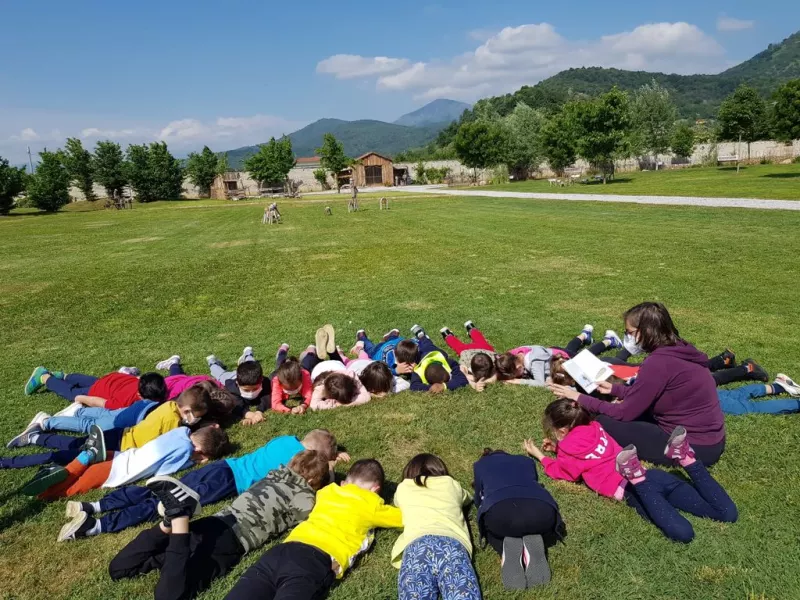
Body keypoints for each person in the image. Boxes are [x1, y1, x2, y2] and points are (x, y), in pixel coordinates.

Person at [107, 450, 331, 600]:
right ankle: (179, 517)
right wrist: (327, 482)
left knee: (118, 569)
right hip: (231, 541)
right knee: (168, 596)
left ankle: (170, 523)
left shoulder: (276, 473)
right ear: (312, 481)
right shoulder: (303, 495)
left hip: (215, 522)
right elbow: (308, 511)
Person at [57, 429, 342, 540]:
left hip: (223, 467)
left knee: (157, 489)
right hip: (229, 481)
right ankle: (96, 526)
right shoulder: (296, 459)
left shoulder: (285, 441)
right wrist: (332, 466)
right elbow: (317, 479)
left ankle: (91, 505)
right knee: (170, 505)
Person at [524, 399, 737, 543]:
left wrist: (540, 456)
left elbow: (565, 472)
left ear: (562, 430)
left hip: (632, 489)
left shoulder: (568, 450)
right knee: (728, 514)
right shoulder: (595, 427)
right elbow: (588, 450)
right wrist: (558, 448)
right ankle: (687, 458)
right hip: (655, 476)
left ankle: (635, 476)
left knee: (683, 533)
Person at [548, 303, 727, 466]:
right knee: (619, 410)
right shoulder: (680, 349)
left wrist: (578, 397)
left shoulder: (657, 363)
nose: (628, 338)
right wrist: (615, 389)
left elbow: (624, 413)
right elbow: (651, 391)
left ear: (646, 331)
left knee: (604, 421)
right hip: (711, 438)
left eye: (630, 332)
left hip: (693, 446)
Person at [222, 459, 403, 600]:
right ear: (376, 489)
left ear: (343, 483)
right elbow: (403, 518)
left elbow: (332, 483)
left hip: (283, 551)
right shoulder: (372, 505)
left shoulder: (327, 492)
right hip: (316, 560)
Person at [4, 384, 212, 469]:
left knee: (75, 445)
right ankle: (9, 462)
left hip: (118, 435)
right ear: (185, 410)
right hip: (117, 445)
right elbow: (167, 445)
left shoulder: (168, 406)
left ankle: (36, 438)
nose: (193, 420)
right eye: (193, 416)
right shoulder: (173, 423)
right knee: (68, 455)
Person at [21, 424, 229, 500]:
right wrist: (194, 462)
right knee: (67, 490)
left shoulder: (181, 432)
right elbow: (164, 473)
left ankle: (83, 458)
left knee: (75, 474)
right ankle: (46, 490)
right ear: (200, 450)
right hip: (116, 471)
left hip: (120, 455)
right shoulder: (185, 452)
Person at [391, 454, 481, 600]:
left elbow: (397, 502)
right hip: (451, 545)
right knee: (463, 593)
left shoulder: (403, 488)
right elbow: (467, 498)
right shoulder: (451, 484)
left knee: (415, 594)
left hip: (416, 547)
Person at [473, 448, 561, 589]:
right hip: (542, 511)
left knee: (490, 525)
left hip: (501, 513)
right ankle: (536, 539)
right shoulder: (526, 461)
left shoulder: (480, 465)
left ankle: (504, 548)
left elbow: (478, 498)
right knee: (528, 520)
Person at [494, 324, 607, 387]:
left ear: (519, 367)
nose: (517, 376)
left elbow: (540, 383)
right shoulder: (517, 354)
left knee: (587, 356)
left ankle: (609, 341)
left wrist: (518, 381)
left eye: (515, 375)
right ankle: (584, 334)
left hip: (564, 358)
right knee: (571, 348)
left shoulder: (534, 362)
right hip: (554, 351)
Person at [24, 367, 167, 409]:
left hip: (112, 379)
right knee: (71, 392)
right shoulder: (123, 402)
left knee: (91, 381)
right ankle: (44, 377)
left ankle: (62, 376)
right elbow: (97, 401)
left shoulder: (143, 382)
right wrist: (78, 398)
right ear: (140, 396)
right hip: (98, 391)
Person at [395, 326, 468, 393]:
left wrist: (443, 386)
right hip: (425, 354)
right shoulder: (419, 370)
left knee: (427, 344)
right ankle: (421, 336)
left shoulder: (450, 363)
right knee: (425, 345)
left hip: (434, 353)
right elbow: (414, 386)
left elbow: (463, 380)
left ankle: (422, 337)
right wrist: (436, 387)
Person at [206, 347, 272, 416]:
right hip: (231, 377)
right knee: (220, 375)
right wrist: (246, 413)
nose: (251, 393)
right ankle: (212, 362)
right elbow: (236, 402)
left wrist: (259, 411)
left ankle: (248, 354)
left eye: (255, 389)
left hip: (248, 374)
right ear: (237, 384)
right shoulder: (231, 388)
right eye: (246, 390)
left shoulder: (266, 382)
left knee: (251, 364)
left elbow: (267, 397)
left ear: (261, 381)